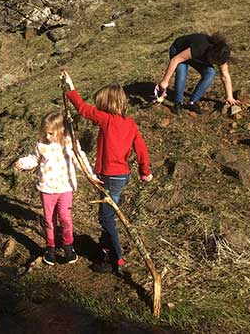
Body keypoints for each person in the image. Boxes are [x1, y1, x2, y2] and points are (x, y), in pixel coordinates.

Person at [62, 70, 152, 275]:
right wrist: (144, 171)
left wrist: (71, 88)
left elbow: (83, 109)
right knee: (108, 212)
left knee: (106, 217)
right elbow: (141, 148)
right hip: (121, 175)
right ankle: (105, 248)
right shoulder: (129, 123)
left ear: (107, 104)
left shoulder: (106, 119)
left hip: (111, 176)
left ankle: (116, 258)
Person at [14, 112, 95, 266]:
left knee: (65, 218)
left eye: (51, 133)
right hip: (47, 188)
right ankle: (50, 247)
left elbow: (81, 159)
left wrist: (91, 175)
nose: (48, 136)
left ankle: (68, 246)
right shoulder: (41, 145)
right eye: (46, 133)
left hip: (65, 188)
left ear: (61, 130)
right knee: (49, 219)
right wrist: (23, 163)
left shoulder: (70, 143)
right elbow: (34, 159)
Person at [155, 33, 238, 115]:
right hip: (178, 51)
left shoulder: (221, 55)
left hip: (194, 55)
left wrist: (229, 96)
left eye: (215, 62)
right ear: (210, 52)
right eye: (212, 60)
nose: (212, 63)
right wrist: (165, 81)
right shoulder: (200, 47)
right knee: (182, 73)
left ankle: (192, 102)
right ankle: (178, 103)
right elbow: (175, 60)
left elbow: (225, 75)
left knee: (210, 73)